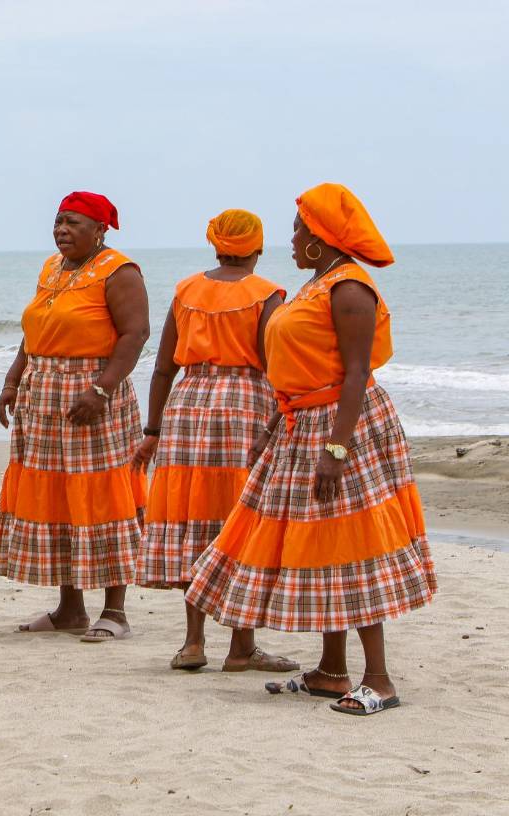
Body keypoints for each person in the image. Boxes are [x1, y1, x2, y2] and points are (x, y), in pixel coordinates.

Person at [186, 183, 436, 716]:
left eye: (300, 230)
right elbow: (300, 367)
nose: (292, 238)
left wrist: (337, 451)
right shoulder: (315, 285)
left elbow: (356, 374)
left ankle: (380, 679)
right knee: (322, 542)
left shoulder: (349, 289)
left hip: (342, 426)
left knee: (353, 541)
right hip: (304, 422)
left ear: (322, 239)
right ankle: (329, 671)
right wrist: (275, 422)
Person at [133, 209, 296, 673]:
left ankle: (192, 643)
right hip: (244, 404)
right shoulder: (268, 295)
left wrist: (153, 429)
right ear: (258, 249)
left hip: (187, 402)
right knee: (237, 518)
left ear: (215, 244)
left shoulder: (186, 290)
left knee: (192, 517)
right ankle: (242, 647)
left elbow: (164, 366)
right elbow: (276, 362)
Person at [0, 191, 150, 642]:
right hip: (44, 393)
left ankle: (115, 610)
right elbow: (33, 332)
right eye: (58, 222)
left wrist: (102, 389)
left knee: (102, 492)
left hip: (92, 395)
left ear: (100, 230)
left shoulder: (120, 272)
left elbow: (136, 334)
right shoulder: (51, 269)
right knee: (59, 494)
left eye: (73, 223)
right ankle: (70, 608)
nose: (62, 230)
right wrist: (12, 381)